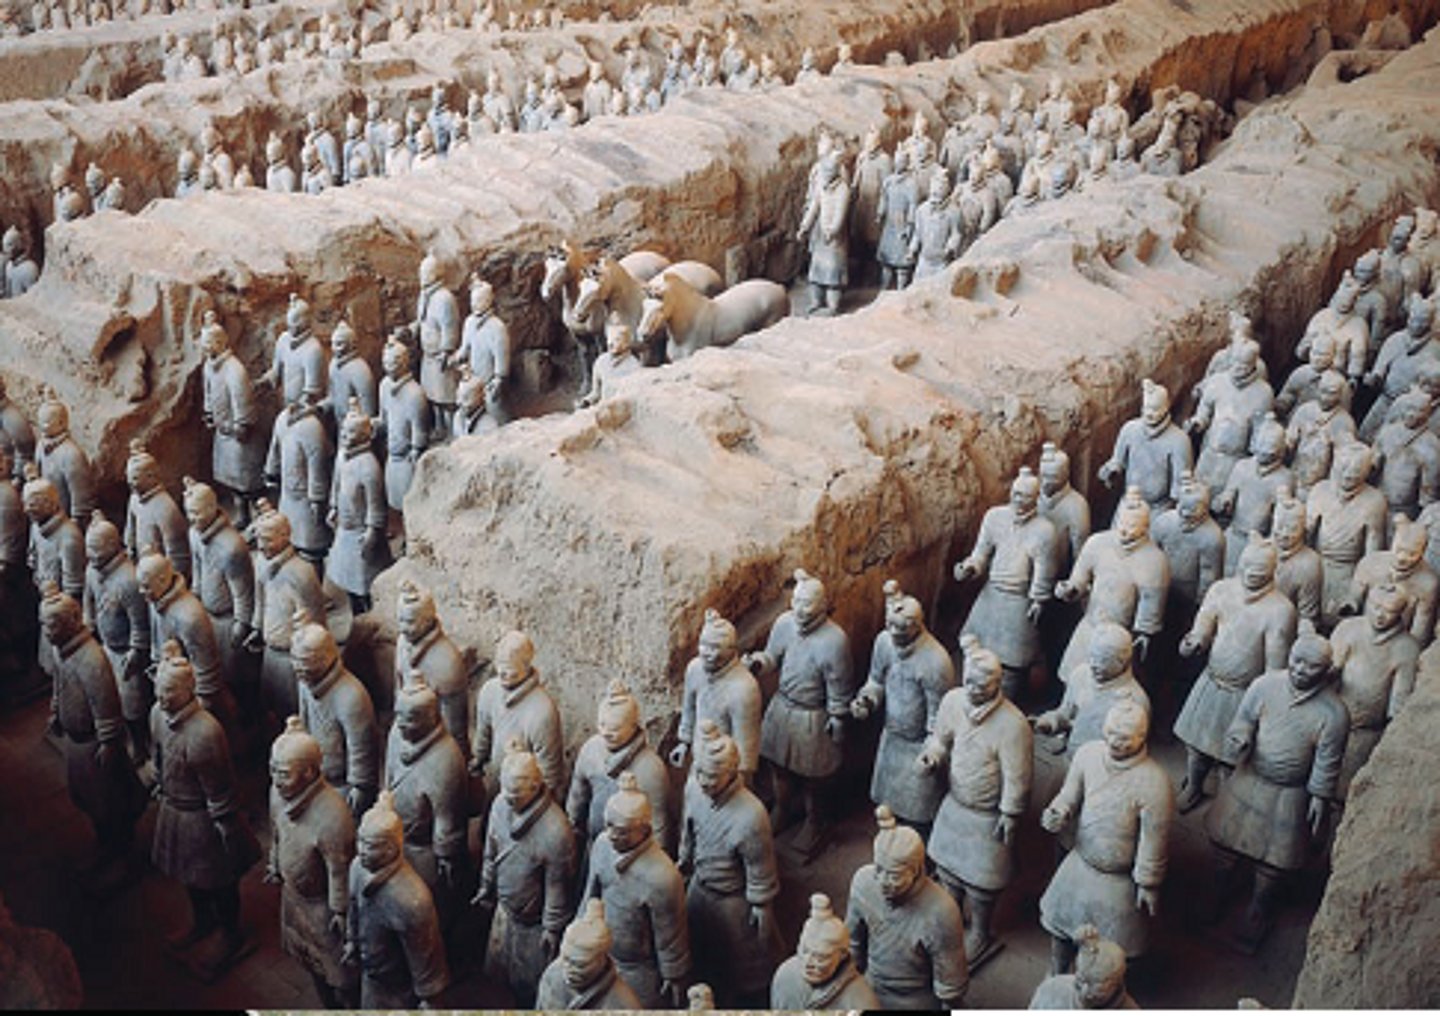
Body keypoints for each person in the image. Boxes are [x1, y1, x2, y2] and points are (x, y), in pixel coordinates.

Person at [150, 642, 260, 981]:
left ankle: (231, 933)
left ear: (188, 690)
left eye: (170, 691)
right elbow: (156, 753)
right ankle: (202, 923)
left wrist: (227, 826)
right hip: (175, 809)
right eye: (160, 689)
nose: (163, 696)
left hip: (203, 818)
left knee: (220, 878)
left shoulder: (205, 732)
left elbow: (221, 785)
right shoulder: (158, 714)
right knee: (188, 875)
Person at [265, 716, 360, 1008]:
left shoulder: (332, 815)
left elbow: (339, 869)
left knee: (341, 977)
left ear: (309, 772)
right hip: (295, 899)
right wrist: (274, 862)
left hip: (323, 910)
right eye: (273, 771)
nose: (277, 781)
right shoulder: (278, 795)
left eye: (284, 773)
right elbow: (277, 831)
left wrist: (341, 911)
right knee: (312, 966)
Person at [771, 893, 879, 1010]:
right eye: (805, 951)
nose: (809, 963)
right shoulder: (785, 977)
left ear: (842, 955)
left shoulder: (860, 997)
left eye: (820, 958)